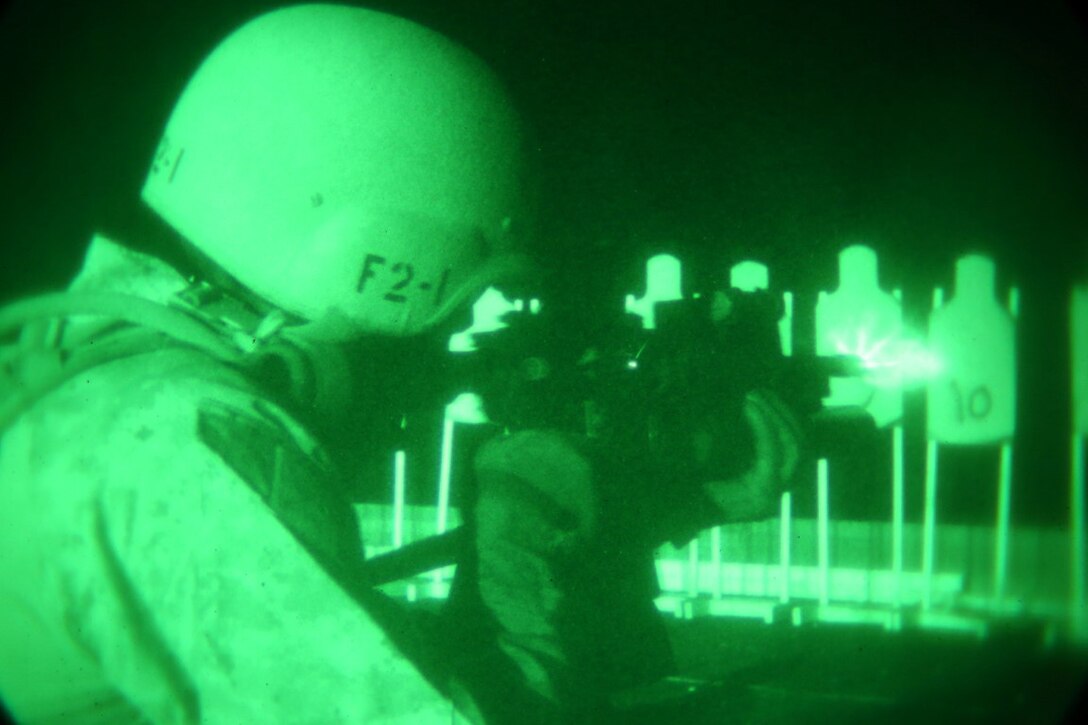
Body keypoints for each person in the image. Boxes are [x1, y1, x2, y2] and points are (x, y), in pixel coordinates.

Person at [0, 4, 534, 722]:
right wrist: (538, 618)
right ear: (377, 260)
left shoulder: (92, 375)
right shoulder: (191, 435)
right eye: (449, 318)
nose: (444, 361)